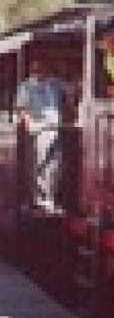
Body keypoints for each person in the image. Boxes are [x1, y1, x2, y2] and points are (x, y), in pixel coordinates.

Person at [16, 60, 69, 213]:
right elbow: (22, 110)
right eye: (36, 69)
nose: (39, 72)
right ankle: (39, 199)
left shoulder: (54, 82)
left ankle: (50, 198)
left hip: (55, 128)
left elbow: (71, 91)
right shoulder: (26, 87)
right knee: (39, 165)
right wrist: (32, 125)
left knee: (55, 165)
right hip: (38, 130)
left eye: (42, 69)